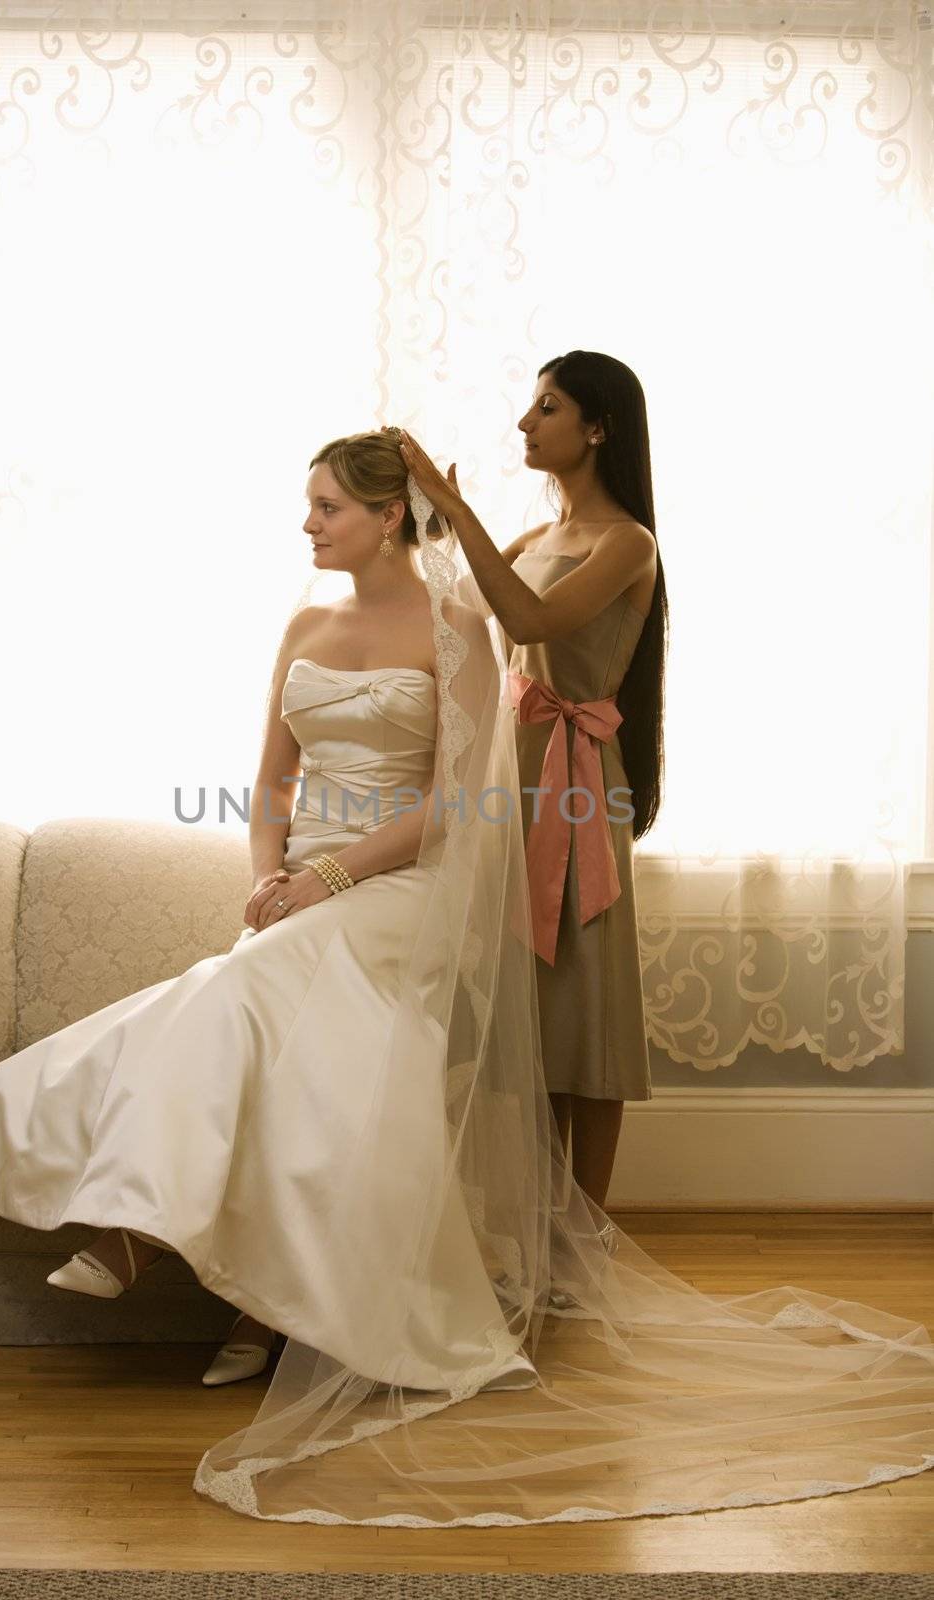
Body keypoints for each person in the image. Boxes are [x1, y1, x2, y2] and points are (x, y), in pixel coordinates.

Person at [0, 428, 934, 1528]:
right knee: (261, 1008)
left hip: (402, 884)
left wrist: (329, 871)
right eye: (308, 505)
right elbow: (269, 775)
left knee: (240, 993)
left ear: (384, 517)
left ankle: (145, 1233)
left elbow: (462, 802)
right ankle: (260, 1303)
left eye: (324, 506)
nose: (307, 523)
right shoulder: (304, 623)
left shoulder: (457, 626)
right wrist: (268, 870)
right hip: (301, 892)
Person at [396, 350, 661, 1228]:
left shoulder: (626, 541)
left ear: (597, 427)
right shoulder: (534, 540)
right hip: (513, 778)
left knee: (585, 996)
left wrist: (456, 503)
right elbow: (463, 609)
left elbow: (531, 620)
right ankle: (542, 1226)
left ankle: (583, 1232)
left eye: (545, 406)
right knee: (533, 1004)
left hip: (578, 779)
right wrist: (428, 519)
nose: (524, 422)